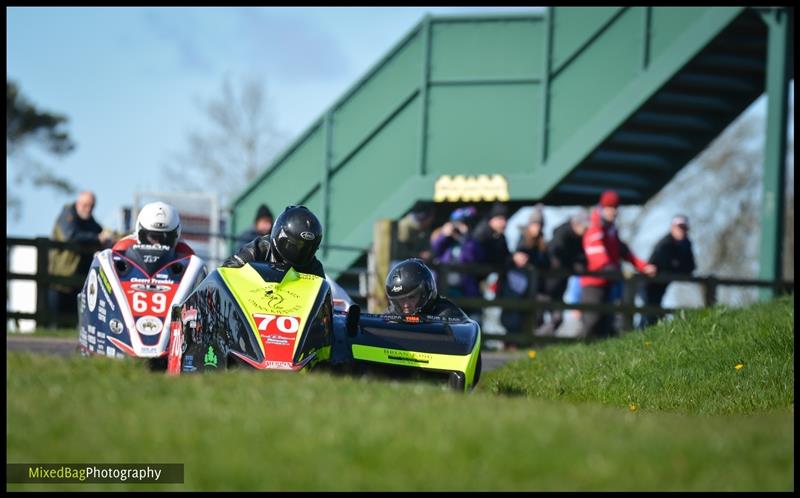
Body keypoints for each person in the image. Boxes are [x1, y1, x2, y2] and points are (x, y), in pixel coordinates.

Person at [580, 190, 656, 339]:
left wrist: (643, 266)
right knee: (592, 321)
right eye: (609, 208)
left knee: (607, 322)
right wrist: (615, 270)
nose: (613, 211)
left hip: (609, 280)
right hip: (594, 283)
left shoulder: (612, 230)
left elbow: (624, 251)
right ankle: (578, 352)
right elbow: (598, 257)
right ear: (602, 208)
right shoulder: (595, 228)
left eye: (615, 208)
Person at [48, 191, 113, 319]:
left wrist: (109, 237)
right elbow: (70, 236)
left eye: (91, 206)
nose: (88, 209)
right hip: (61, 277)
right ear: (78, 203)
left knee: (75, 316)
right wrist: (97, 239)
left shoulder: (89, 220)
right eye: (85, 205)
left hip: (78, 279)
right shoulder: (67, 216)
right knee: (56, 318)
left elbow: (101, 231)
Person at [221, 205, 325, 278]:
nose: (299, 251)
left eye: (306, 248)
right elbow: (226, 271)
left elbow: (323, 299)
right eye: (294, 245)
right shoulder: (259, 248)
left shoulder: (314, 266)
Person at [640, 214, 696, 328]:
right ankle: (641, 333)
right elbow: (663, 265)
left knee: (654, 310)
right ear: (672, 228)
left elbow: (690, 267)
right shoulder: (664, 244)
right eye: (679, 227)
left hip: (662, 284)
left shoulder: (687, 245)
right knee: (650, 312)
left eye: (684, 228)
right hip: (648, 284)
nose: (682, 231)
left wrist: (676, 267)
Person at [541, 209, 589, 334]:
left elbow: (580, 257)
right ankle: (535, 341)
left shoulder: (579, 239)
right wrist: (572, 264)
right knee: (539, 316)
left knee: (557, 318)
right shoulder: (562, 234)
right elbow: (556, 254)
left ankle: (542, 339)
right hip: (546, 285)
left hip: (560, 285)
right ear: (576, 224)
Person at [504, 204, 550, 332]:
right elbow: (517, 259)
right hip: (520, 285)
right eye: (535, 224)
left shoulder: (542, 244)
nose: (537, 227)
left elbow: (545, 263)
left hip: (536, 287)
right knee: (516, 313)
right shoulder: (523, 241)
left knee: (536, 313)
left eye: (540, 225)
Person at [385, 258, 468, 320]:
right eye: (401, 300)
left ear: (425, 294)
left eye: (412, 297)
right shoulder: (392, 313)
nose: (406, 305)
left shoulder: (448, 314)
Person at [111, 201, 194, 258]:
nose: (157, 243)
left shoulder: (185, 253)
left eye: (164, 238)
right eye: (153, 237)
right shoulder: (123, 248)